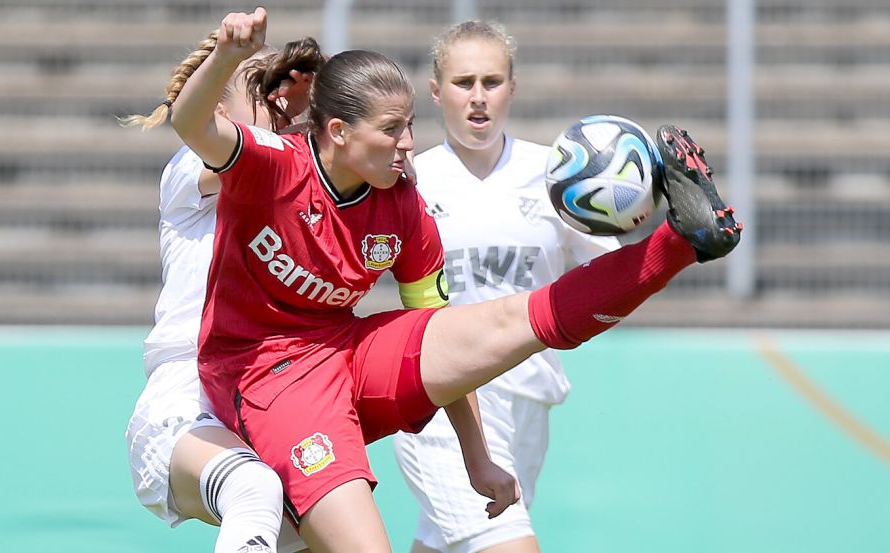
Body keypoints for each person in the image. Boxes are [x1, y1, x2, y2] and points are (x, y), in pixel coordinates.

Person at [170, 8, 741, 553]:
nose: (409, 144)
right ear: (340, 131)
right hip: (266, 374)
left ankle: (681, 243)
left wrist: (478, 456)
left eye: (410, 126)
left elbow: (437, 335)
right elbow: (191, 122)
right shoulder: (272, 165)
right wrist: (226, 55)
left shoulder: (402, 205)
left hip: (347, 351)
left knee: (511, 318)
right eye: (392, 129)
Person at [391, 20, 621, 553]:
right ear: (435, 92)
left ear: (512, 88)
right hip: (443, 400)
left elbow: (605, 283)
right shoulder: (409, 181)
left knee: (445, 543)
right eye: (463, 82)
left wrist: (659, 241)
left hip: (528, 399)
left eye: (491, 82)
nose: (478, 98)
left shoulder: (560, 175)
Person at [122, 33, 323, 553]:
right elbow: (244, 158)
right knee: (252, 488)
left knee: (327, 524)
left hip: (267, 392)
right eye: (263, 93)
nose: (280, 108)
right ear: (214, 107)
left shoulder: (297, 187)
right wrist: (231, 58)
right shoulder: (190, 169)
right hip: (188, 393)